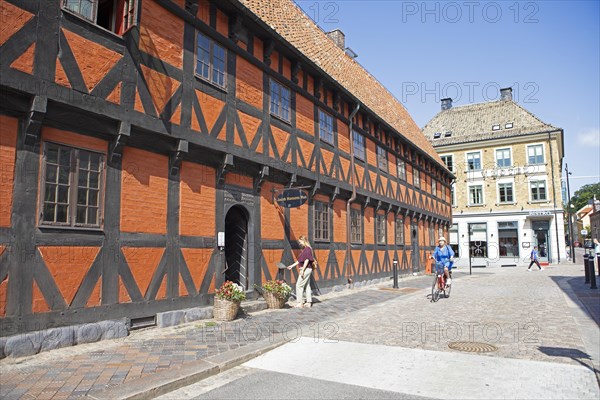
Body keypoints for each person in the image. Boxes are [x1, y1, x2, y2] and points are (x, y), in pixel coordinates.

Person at [287, 235, 315, 308]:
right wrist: (292, 266)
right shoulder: (306, 249)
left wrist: (302, 270)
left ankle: (300, 302)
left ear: (303, 241)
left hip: (306, 269)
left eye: (300, 242)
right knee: (307, 285)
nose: (300, 243)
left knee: (299, 285)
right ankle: (309, 302)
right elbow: (300, 261)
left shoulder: (308, 249)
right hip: (307, 269)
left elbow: (307, 260)